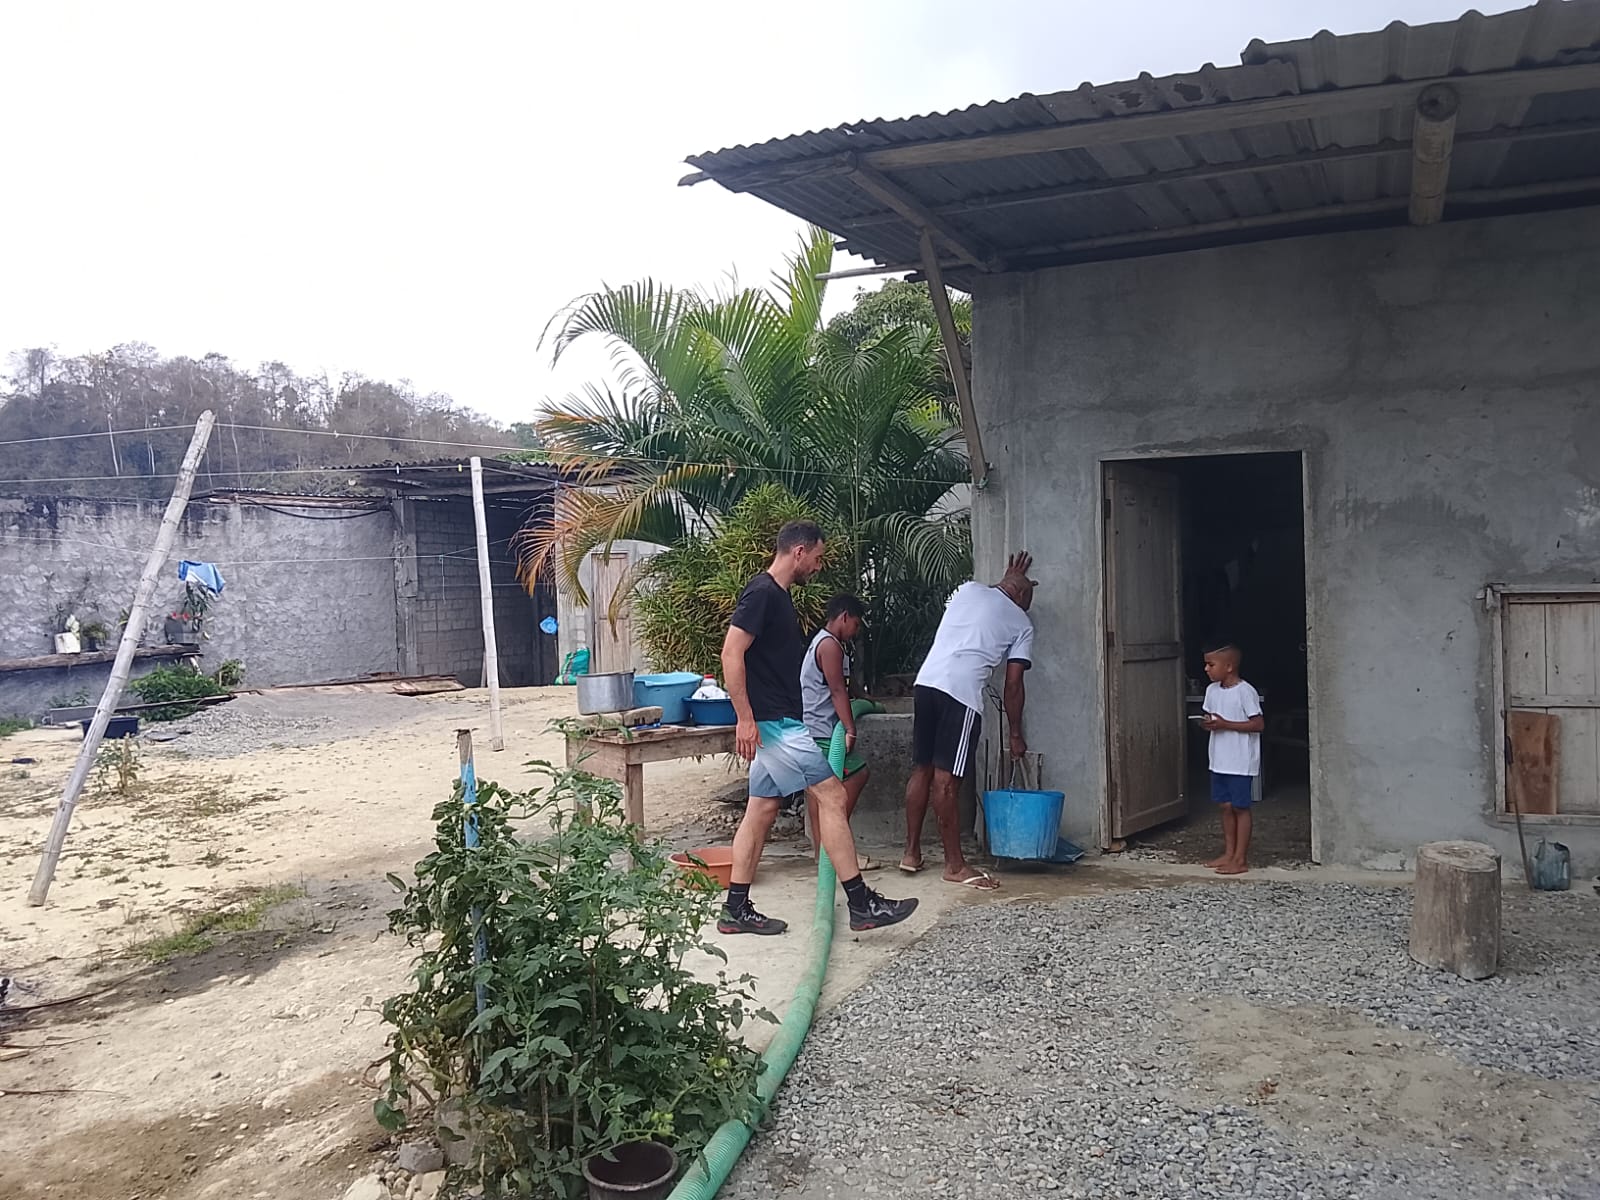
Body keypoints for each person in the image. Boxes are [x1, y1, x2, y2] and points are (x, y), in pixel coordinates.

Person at [719, 521, 918, 935]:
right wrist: (745, 718)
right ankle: (862, 903)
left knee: (761, 809)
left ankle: (735, 909)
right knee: (832, 795)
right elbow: (731, 652)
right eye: (818, 557)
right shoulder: (762, 593)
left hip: (778, 720)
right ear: (799, 552)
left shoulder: (778, 596)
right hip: (775, 723)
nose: (818, 565)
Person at [900, 551, 1036, 889]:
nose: (1026, 607)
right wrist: (1015, 732)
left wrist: (1009, 579)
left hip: (926, 683)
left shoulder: (968, 589)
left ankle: (911, 854)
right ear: (1021, 596)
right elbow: (1013, 684)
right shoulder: (1022, 623)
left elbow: (991, 598)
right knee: (946, 780)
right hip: (960, 694)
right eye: (1027, 600)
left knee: (922, 769)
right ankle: (955, 866)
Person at [798, 593, 876, 866]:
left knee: (818, 792)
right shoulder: (830, 646)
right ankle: (837, 847)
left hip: (811, 728)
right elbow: (837, 690)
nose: (856, 630)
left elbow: (846, 681)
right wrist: (850, 728)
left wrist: (865, 699)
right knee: (857, 775)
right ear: (844, 617)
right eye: (855, 624)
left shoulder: (825, 642)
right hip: (822, 731)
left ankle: (823, 854)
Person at [1199, 643, 1264, 876]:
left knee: (1240, 807)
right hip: (1219, 759)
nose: (1206, 669)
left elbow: (1258, 724)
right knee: (1225, 806)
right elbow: (1212, 716)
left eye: (1211, 664)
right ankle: (1228, 853)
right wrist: (1208, 724)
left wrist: (1225, 724)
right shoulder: (1212, 690)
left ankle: (1240, 859)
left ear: (1229, 666)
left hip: (1240, 761)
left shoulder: (1245, 691)